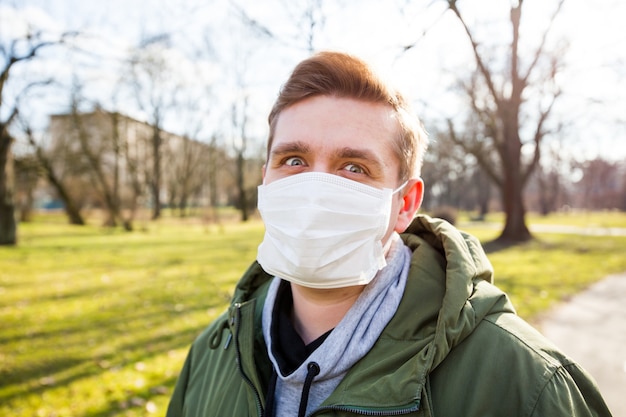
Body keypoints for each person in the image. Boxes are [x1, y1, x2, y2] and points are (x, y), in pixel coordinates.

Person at [166, 51, 612, 417]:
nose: (317, 192)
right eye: (294, 160)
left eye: (354, 168)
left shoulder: (527, 387)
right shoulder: (212, 356)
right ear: (266, 178)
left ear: (405, 204)